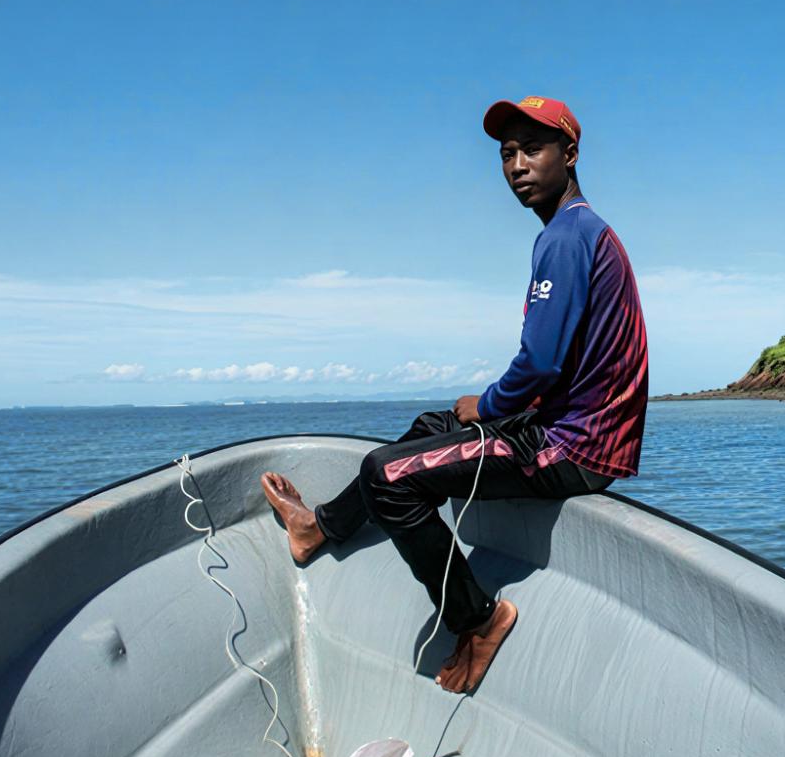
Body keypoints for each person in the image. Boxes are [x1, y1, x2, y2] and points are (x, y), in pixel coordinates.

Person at [259, 95, 648, 693]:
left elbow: (541, 363)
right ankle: (319, 529)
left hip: (573, 448)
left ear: (569, 155)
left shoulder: (567, 238)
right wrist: (481, 411)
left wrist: (488, 407)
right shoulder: (576, 232)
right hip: (562, 428)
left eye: (532, 150)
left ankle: (479, 618)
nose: (517, 165)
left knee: (388, 475)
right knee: (428, 427)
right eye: (506, 153)